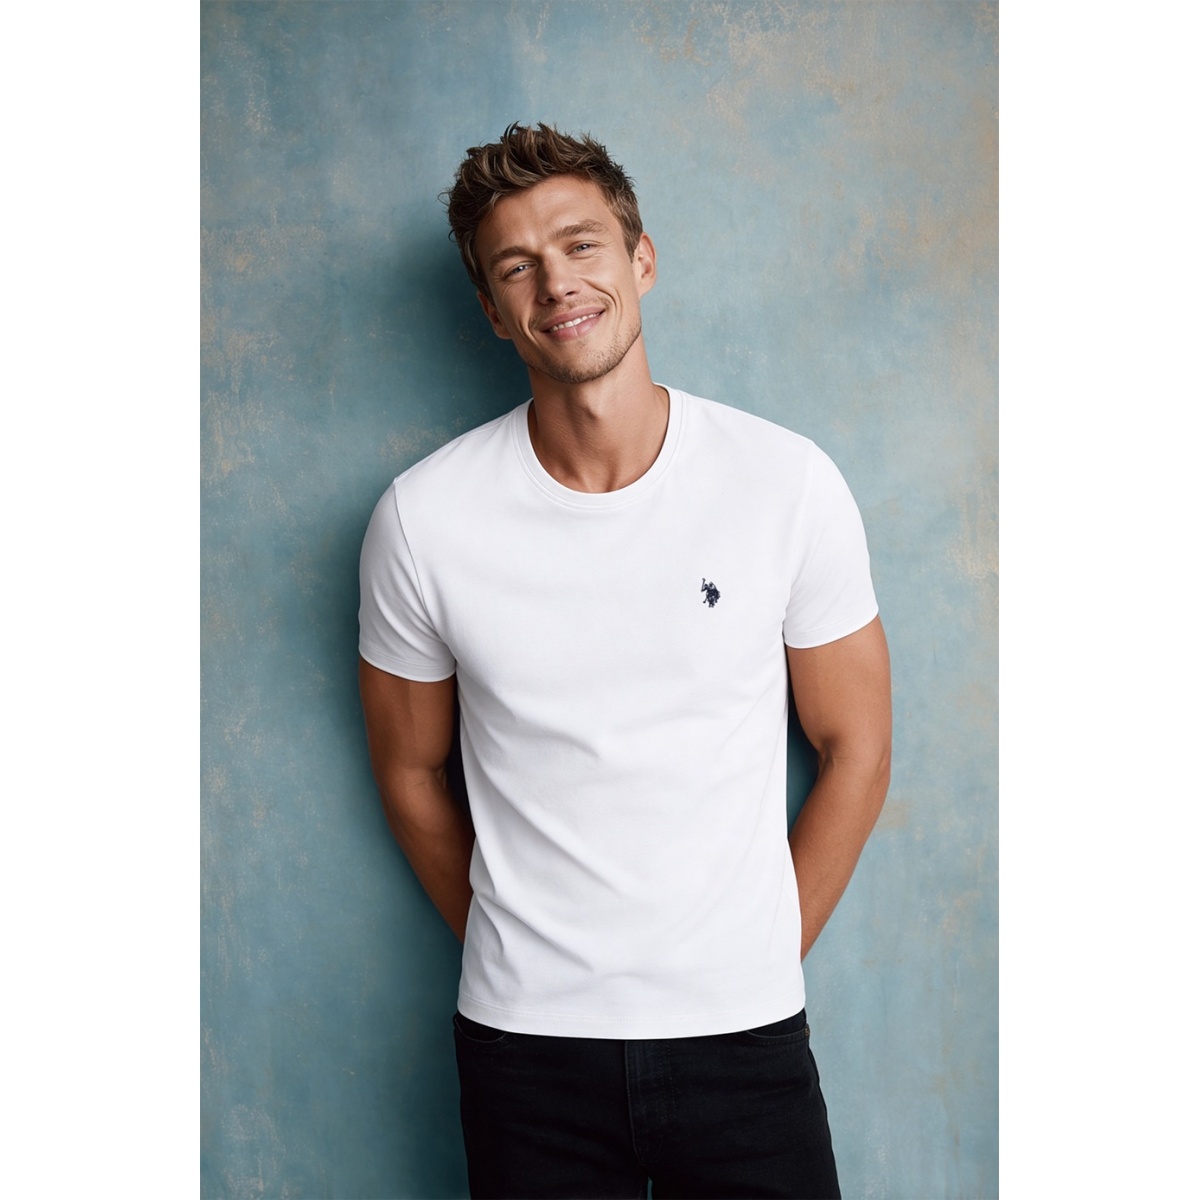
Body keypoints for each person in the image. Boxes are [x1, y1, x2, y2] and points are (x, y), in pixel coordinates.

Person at [358, 122, 891, 1199]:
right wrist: (521, 949)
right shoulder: (423, 519)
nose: (557, 282)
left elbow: (858, 747)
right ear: (492, 310)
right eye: (517, 266)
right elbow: (411, 773)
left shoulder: (784, 483)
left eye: (581, 244)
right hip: (525, 1054)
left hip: (745, 1040)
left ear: (641, 260)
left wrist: (756, 955)